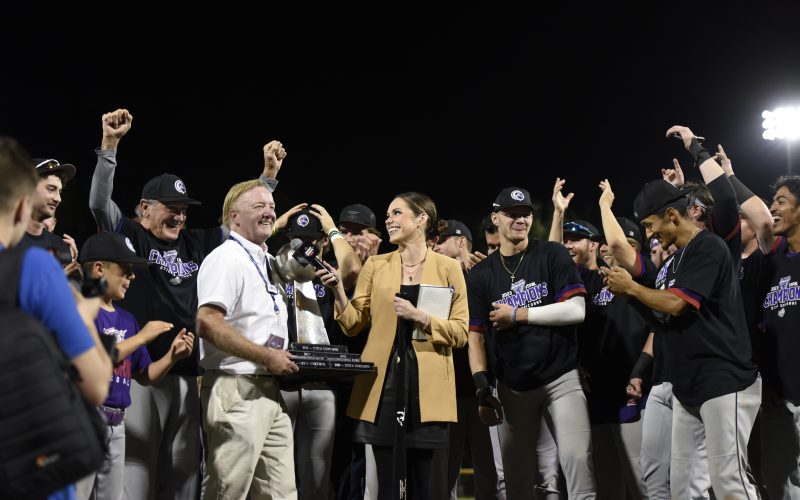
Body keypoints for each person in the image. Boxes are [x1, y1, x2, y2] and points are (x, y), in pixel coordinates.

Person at [88, 108, 286, 499]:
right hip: (141, 372)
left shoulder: (197, 242)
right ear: (144, 208)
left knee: (183, 478)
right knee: (136, 477)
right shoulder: (128, 234)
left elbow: (246, 221)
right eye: (169, 207)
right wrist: (109, 147)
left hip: (188, 374)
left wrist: (268, 180)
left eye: (182, 209)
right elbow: (98, 203)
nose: (179, 215)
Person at [605, 176, 761, 498]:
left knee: (730, 481)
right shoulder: (672, 262)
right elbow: (664, 320)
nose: (651, 234)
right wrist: (631, 296)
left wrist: (633, 288)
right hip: (687, 384)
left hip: (722, 379)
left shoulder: (708, 245)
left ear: (672, 215)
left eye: (650, 225)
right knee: (685, 489)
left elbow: (676, 304)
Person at [317, 191, 468, 499]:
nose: (389, 219)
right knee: (388, 486)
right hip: (382, 388)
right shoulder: (376, 264)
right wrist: (338, 292)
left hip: (429, 392)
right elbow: (353, 323)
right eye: (388, 214)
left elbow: (460, 333)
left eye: (397, 213)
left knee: (429, 488)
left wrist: (421, 317)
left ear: (422, 219)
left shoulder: (447, 267)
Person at [0, 136, 112, 500]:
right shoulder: (33, 266)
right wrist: (82, 313)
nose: (57, 197)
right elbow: (97, 386)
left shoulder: (57, 249)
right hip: (30, 462)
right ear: (21, 205)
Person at [467, 186, 595, 499]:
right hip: (513, 386)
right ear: (496, 218)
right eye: (512, 214)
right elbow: (476, 336)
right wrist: (483, 388)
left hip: (561, 376)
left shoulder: (551, 253)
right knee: (516, 480)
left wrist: (520, 314)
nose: (520, 219)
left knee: (578, 460)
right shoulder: (481, 274)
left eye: (525, 213)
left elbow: (576, 310)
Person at [195, 179, 299, 499]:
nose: (269, 212)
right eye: (258, 206)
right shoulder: (226, 257)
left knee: (281, 493)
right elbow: (207, 322)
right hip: (235, 385)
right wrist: (265, 355)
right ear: (233, 217)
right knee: (228, 489)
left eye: (271, 206)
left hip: (269, 387)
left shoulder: (268, 261)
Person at [75, 231, 195, 500]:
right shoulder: (80, 309)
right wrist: (142, 337)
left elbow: (145, 375)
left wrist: (171, 357)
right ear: (98, 269)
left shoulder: (127, 319)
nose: (132, 277)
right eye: (125, 270)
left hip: (117, 423)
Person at [432, 220, 498, 500]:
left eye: (440, 240)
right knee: (446, 473)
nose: (434, 245)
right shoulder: (434, 278)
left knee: (492, 472)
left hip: (487, 388)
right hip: (449, 391)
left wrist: (486, 275)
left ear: (461, 242)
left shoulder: (486, 275)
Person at [17, 157, 80, 276]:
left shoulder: (60, 247)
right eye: (51, 189)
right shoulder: (6, 238)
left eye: (60, 192)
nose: (58, 199)